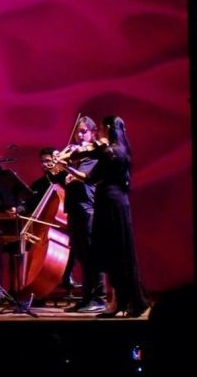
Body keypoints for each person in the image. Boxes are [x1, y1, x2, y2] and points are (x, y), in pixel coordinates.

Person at [88, 116, 149, 318]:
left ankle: (118, 301)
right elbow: (95, 175)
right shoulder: (120, 150)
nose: (97, 132)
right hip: (117, 203)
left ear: (107, 128)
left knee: (114, 252)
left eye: (99, 128)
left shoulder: (111, 151)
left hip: (110, 204)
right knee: (120, 252)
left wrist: (71, 161)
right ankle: (126, 300)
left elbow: (94, 171)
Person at [55, 116, 106, 313]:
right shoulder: (76, 157)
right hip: (75, 209)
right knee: (83, 255)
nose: (80, 135)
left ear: (93, 133)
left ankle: (99, 298)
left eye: (84, 131)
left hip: (88, 208)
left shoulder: (93, 156)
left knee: (94, 255)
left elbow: (83, 179)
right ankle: (86, 298)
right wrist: (56, 167)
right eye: (78, 131)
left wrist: (66, 166)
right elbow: (63, 179)